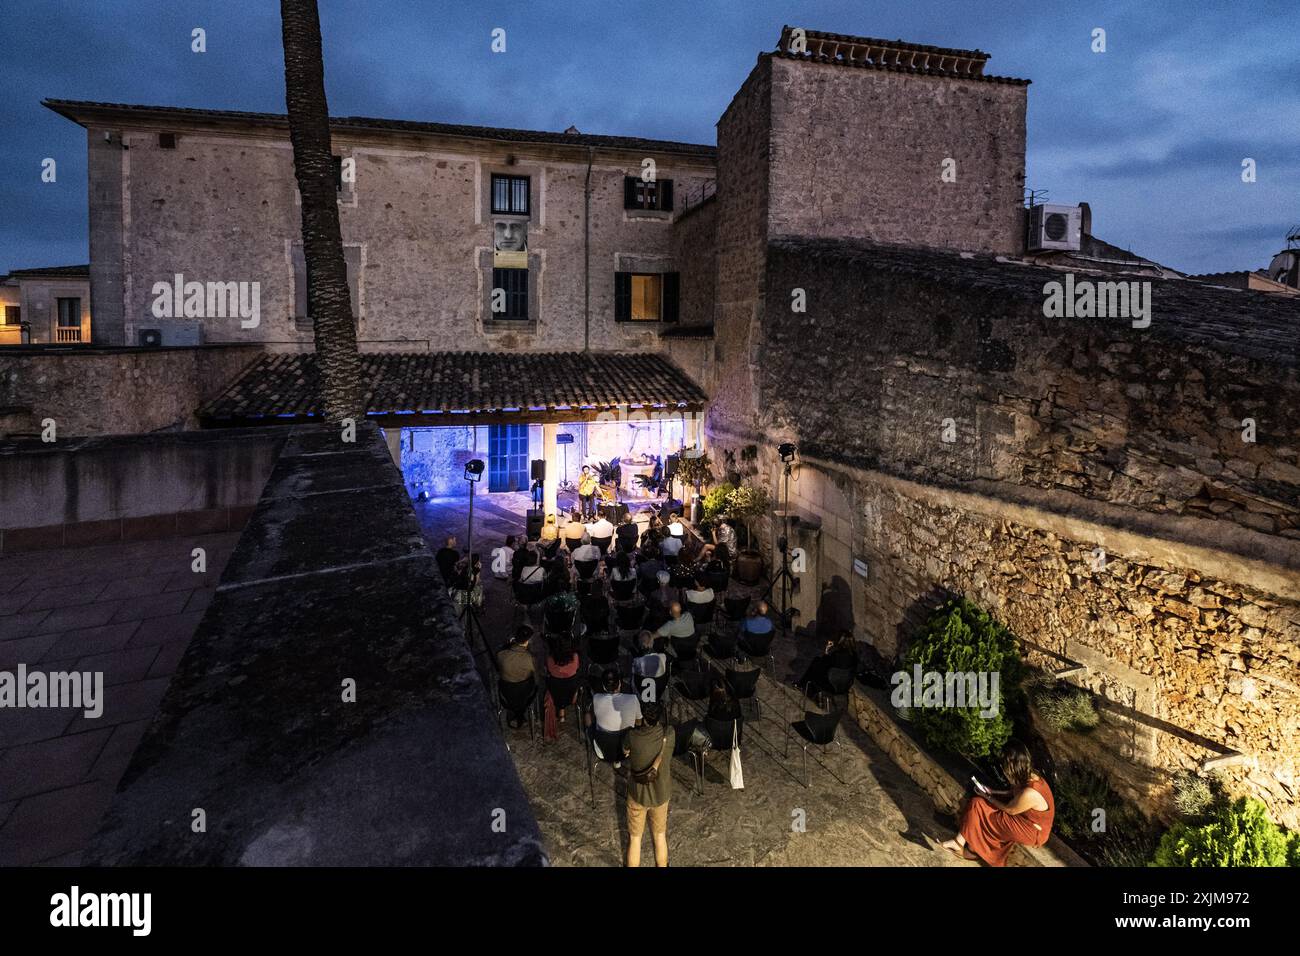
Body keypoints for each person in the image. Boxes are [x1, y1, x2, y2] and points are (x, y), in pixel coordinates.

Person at [942, 739, 1055, 866]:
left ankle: (974, 851)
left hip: (1032, 831)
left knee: (985, 811)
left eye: (1004, 766)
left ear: (1012, 766)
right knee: (977, 803)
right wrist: (993, 792)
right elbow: (1014, 793)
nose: (1003, 769)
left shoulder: (1030, 793)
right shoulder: (1029, 776)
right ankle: (959, 843)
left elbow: (1010, 810)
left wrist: (989, 797)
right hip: (1022, 817)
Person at [623, 701, 675, 867]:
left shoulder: (632, 736)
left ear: (643, 718)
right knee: (660, 835)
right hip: (661, 795)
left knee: (635, 838)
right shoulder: (669, 734)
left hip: (637, 795)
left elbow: (625, 752)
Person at [796, 629, 859, 700]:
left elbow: (823, 666)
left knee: (815, 664)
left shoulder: (836, 655)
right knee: (817, 663)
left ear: (840, 641)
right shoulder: (855, 656)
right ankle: (809, 690)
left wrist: (826, 650)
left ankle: (802, 685)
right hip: (845, 686)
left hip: (831, 686)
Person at [543, 635, 581, 738]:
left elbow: (549, 671)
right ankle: (562, 714)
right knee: (567, 684)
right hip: (571, 694)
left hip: (555, 693)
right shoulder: (575, 656)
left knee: (553, 683)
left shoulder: (550, 658)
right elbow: (576, 669)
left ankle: (561, 713)